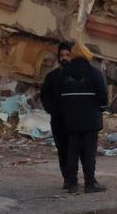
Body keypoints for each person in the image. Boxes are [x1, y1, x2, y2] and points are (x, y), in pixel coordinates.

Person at [60, 42, 108, 194]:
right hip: (90, 120)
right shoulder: (94, 73)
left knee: (72, 152)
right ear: (88, 56)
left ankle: (72, 184)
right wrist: (101, 110)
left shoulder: (64, 74)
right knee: (89, 153)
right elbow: (103, 97)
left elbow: (58, 97)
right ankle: (89, 184)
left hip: (71, 121)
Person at [40, 41, 73, 189]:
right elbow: (44, 95)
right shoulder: (52, 77)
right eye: (62, 55)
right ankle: (67, 179)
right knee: (63, 150)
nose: (64, 58)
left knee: (75, 150)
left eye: (67, 55)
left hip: (75, 120)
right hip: (58, 120)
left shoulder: (78, 76)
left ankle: (75, 178)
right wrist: (51, 109)